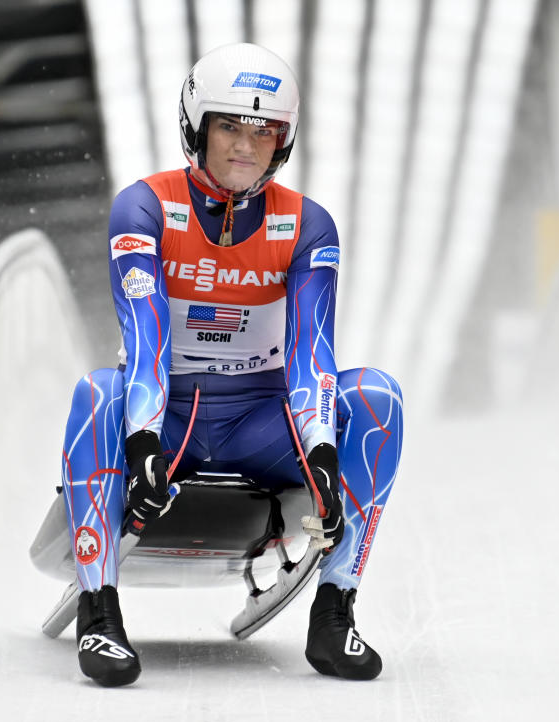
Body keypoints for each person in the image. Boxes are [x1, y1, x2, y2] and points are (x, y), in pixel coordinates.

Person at [60, 42, 404, 687]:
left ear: (284, 140)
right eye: (230, 127)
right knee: (97, 394)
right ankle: (99, 613)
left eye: (265, 130)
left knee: (380, 397)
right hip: (173, 415)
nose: (247, 146)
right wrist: (140, 442)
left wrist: (324, 455)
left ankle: (335, 612)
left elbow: (312, 353)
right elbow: (146, 339)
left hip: (260, 420)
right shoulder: (144, 207)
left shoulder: (308, 225)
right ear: (197, 124)